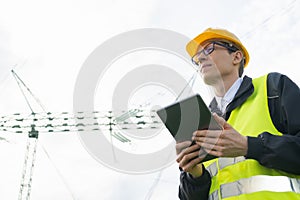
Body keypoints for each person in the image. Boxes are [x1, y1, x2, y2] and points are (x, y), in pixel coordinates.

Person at [176, 27, 300, 200]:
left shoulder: (272, 87)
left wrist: (249, 146)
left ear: (236, 56)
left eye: (209, 48)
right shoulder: (199, 121)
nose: (201, 57)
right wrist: (194, 176)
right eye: (196, 57)